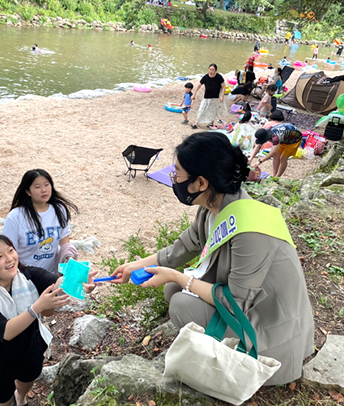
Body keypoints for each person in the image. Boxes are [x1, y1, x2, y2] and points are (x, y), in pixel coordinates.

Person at [111, 132, 314, 386]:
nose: (174, 179)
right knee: (173, 289)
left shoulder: (250, 228)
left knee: (180, 302)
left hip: (270, 325)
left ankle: (235, 361)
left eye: (178, 173)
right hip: (250, 303)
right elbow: (183, 247)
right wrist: (135, 265)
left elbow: (236, 302)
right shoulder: (214, 207)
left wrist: (177, 276)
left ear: (201, 183)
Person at [0, 234, 96, 406]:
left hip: (30, 347)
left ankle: (20, 397)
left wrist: (78, 281)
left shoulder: (28, 276)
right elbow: (6, 331)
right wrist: (37, 308)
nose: (10, 258)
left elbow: (56, 282)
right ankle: (10, 400)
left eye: (11, 250)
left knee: (27, 379)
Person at [3, 169, 78, 275]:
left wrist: (69, 258)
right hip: (26, 276)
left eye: (47, 185)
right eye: (37, 187)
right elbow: (8, 251)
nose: (44, 190)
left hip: (52, 275)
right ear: (28, 191)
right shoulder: (15, 217)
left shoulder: (59, 210)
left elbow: (65, 243)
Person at [190, 64, 226, 129]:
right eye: (210, 69)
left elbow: (223, 87)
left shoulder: (219, 77)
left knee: (213, 111)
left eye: (212, 70)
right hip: (206, 97)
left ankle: (211, 123)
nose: (211, 71)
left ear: (215, 70)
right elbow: (198, 85)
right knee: (202, 109)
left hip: (215, 97)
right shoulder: (206, 77)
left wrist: (222, 96)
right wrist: (194, 94)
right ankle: (197, 123)